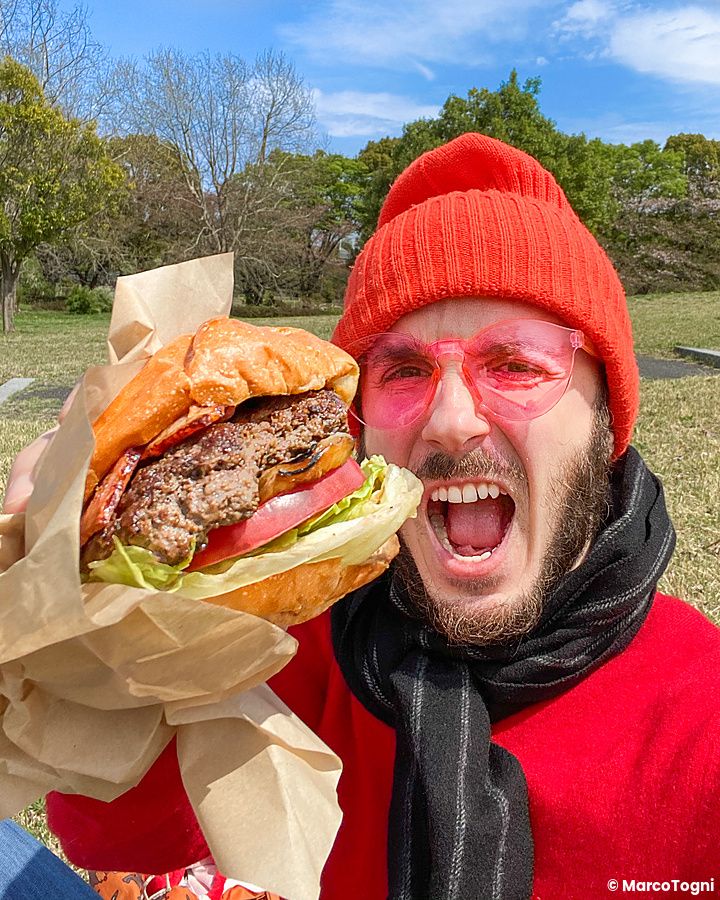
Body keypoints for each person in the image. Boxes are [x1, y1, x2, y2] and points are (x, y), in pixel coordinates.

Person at [5, 133, 720, 900]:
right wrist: (83, 632)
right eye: (403, 371)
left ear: (608, 420)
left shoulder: (699, 719)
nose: (450, 420)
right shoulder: (296, 638)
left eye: (515, 364)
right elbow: (124, 839)